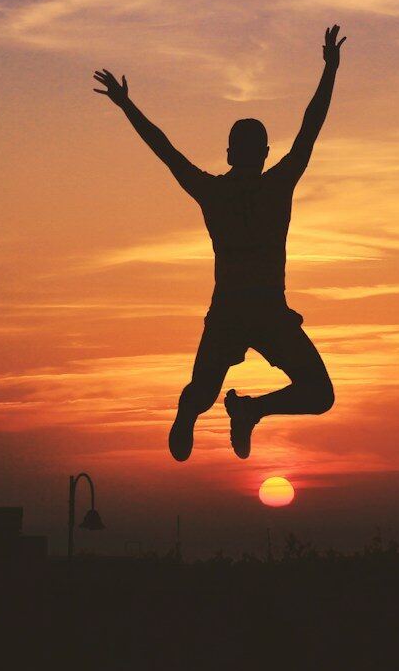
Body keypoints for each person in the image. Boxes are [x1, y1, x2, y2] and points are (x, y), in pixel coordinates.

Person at [93, 25, 346, 460]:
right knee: (217, 392)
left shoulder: (231, 189)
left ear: (240, 153)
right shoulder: (260, 187)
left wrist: (127, 105)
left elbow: (166, 149)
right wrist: (329, 71)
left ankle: (243, 411)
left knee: (306, 393)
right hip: (241, 312)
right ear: (253, 153)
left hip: (259, 312)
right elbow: (309, 129)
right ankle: (203, 413)